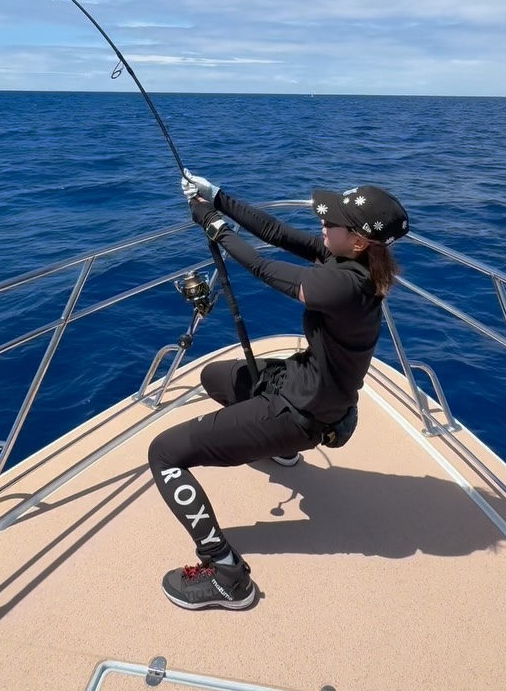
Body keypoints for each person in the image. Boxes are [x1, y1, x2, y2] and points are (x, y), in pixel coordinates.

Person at [147, 170, 409, 611]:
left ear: (359, 241)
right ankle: (279, 447)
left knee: (163, 454)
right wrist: (217, 196)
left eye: (333, 222)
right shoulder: (348, 261)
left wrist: (213, 225)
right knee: (215, 377)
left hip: (301, 411)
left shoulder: (343, 285)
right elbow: (276, 233)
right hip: (307, 383)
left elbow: (263, 268)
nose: (323, 223)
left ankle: (226, 575)